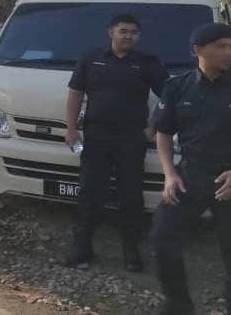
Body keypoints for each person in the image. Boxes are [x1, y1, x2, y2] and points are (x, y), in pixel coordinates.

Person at [150, 23, 231, 315]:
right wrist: (169, 174)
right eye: (220, 46)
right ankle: (177, 303)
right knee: (162, 237)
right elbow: (163, 133)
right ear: (198, 50)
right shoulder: (177, 87)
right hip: (191, 175)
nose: (228, 52)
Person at [64, 14, 169, 272]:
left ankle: (131, 249)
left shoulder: (146, 63)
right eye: (123, 31)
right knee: (90, 192)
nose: (128, 36)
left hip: (131, 138)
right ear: (111, 32)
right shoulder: (91, 59)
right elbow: (76, 93)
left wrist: (153, 127)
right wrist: (70, 128)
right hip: (96, 135)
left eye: (133, 32)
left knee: (130, 195)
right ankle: (82, 245)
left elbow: (170, 96)